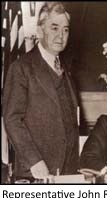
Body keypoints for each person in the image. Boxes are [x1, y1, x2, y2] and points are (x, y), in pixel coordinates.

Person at [3, 2, 79, 180]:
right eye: (54, 28)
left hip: (67, 173)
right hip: (37, 172)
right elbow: (12, 119)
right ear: (40, 31)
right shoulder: (22, 68)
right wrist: (34, 161)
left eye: (65, 29)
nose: (61, 35)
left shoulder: (67, 70)